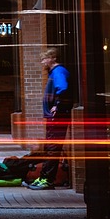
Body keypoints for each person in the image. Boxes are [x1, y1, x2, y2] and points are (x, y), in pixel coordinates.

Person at [30, 48, 73, 190]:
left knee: (53, 147)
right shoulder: (55, 73)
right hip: (54, 115)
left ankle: (47, 179)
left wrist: (57, 106)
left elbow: (63, 88)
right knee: (50, 147)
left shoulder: (58, 72)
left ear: (52, 58)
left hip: (57, 116)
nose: (42, 62)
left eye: (44, 59)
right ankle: (44, 177)